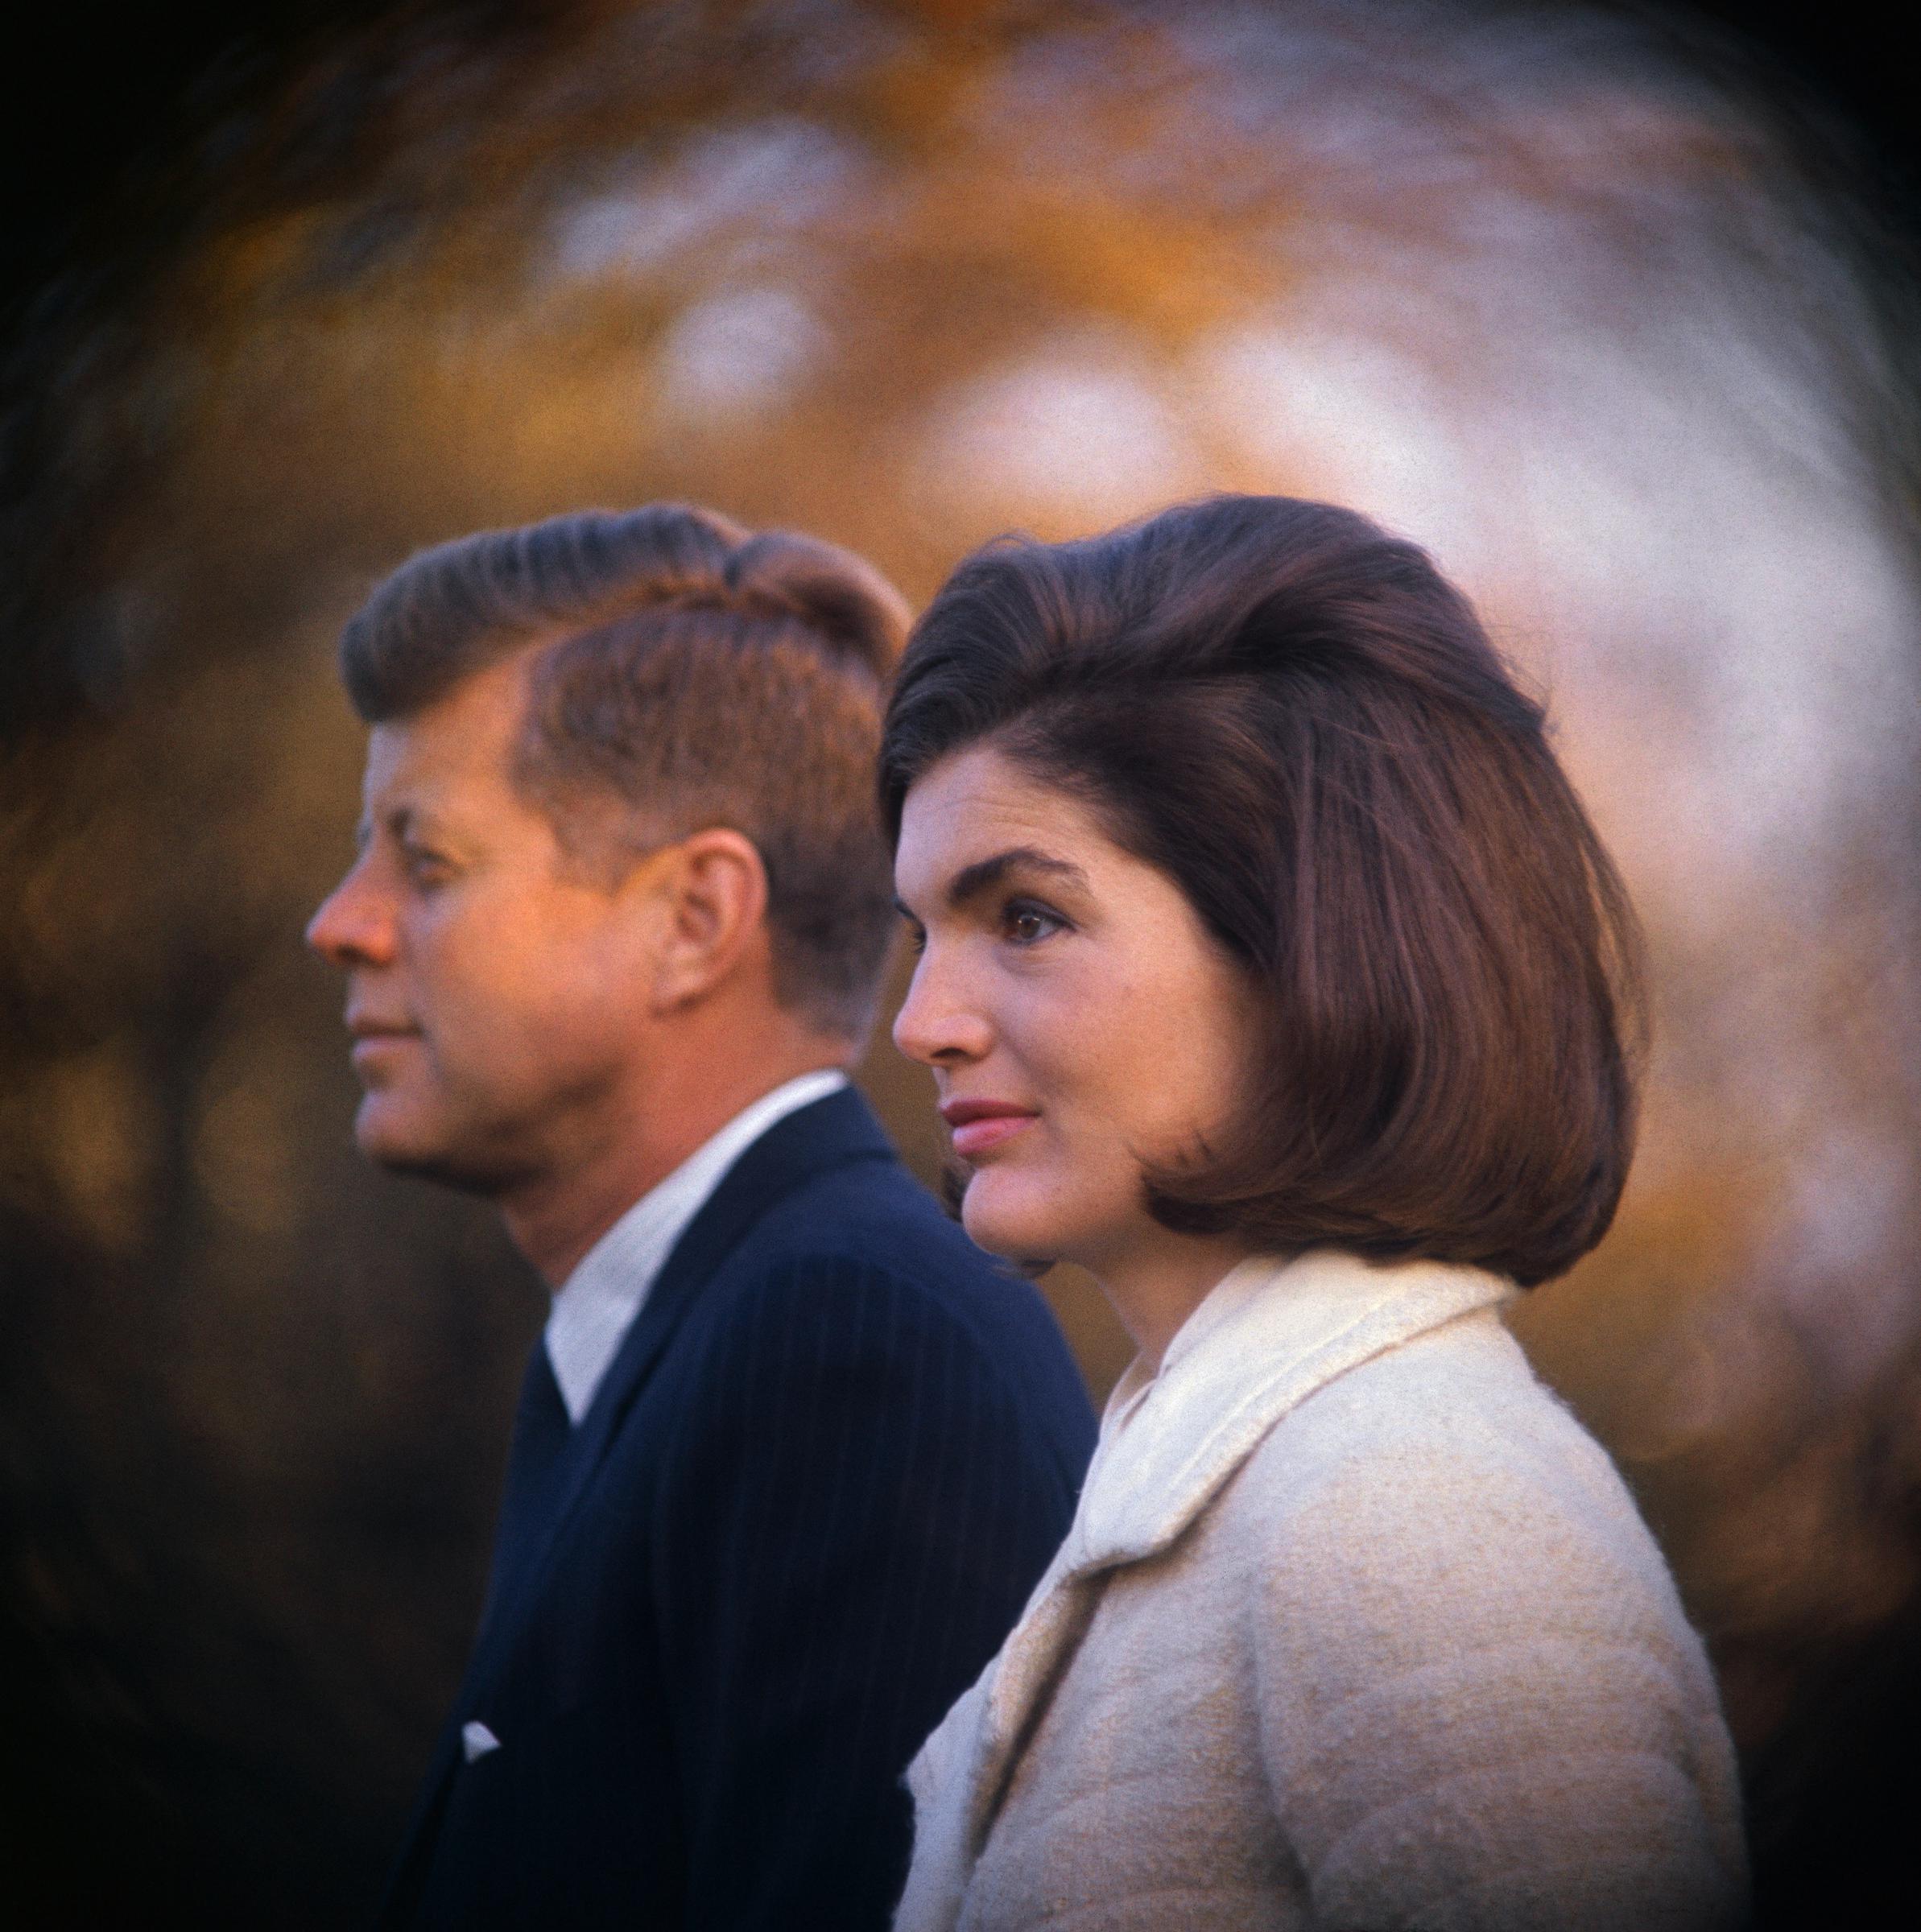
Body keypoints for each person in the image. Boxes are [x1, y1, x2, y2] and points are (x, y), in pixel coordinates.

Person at [882, 494, 1750, 1931]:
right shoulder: (1242, 1483)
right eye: (923, 936)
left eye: (1025, 917)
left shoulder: (1413, 1504)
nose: (921, 1021)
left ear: (1309, 942)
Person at [304, 503, 1095, 1931]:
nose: (340, 922)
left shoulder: (856, 1352)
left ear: (692, 919)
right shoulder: (688, 1335)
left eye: (425, 862)